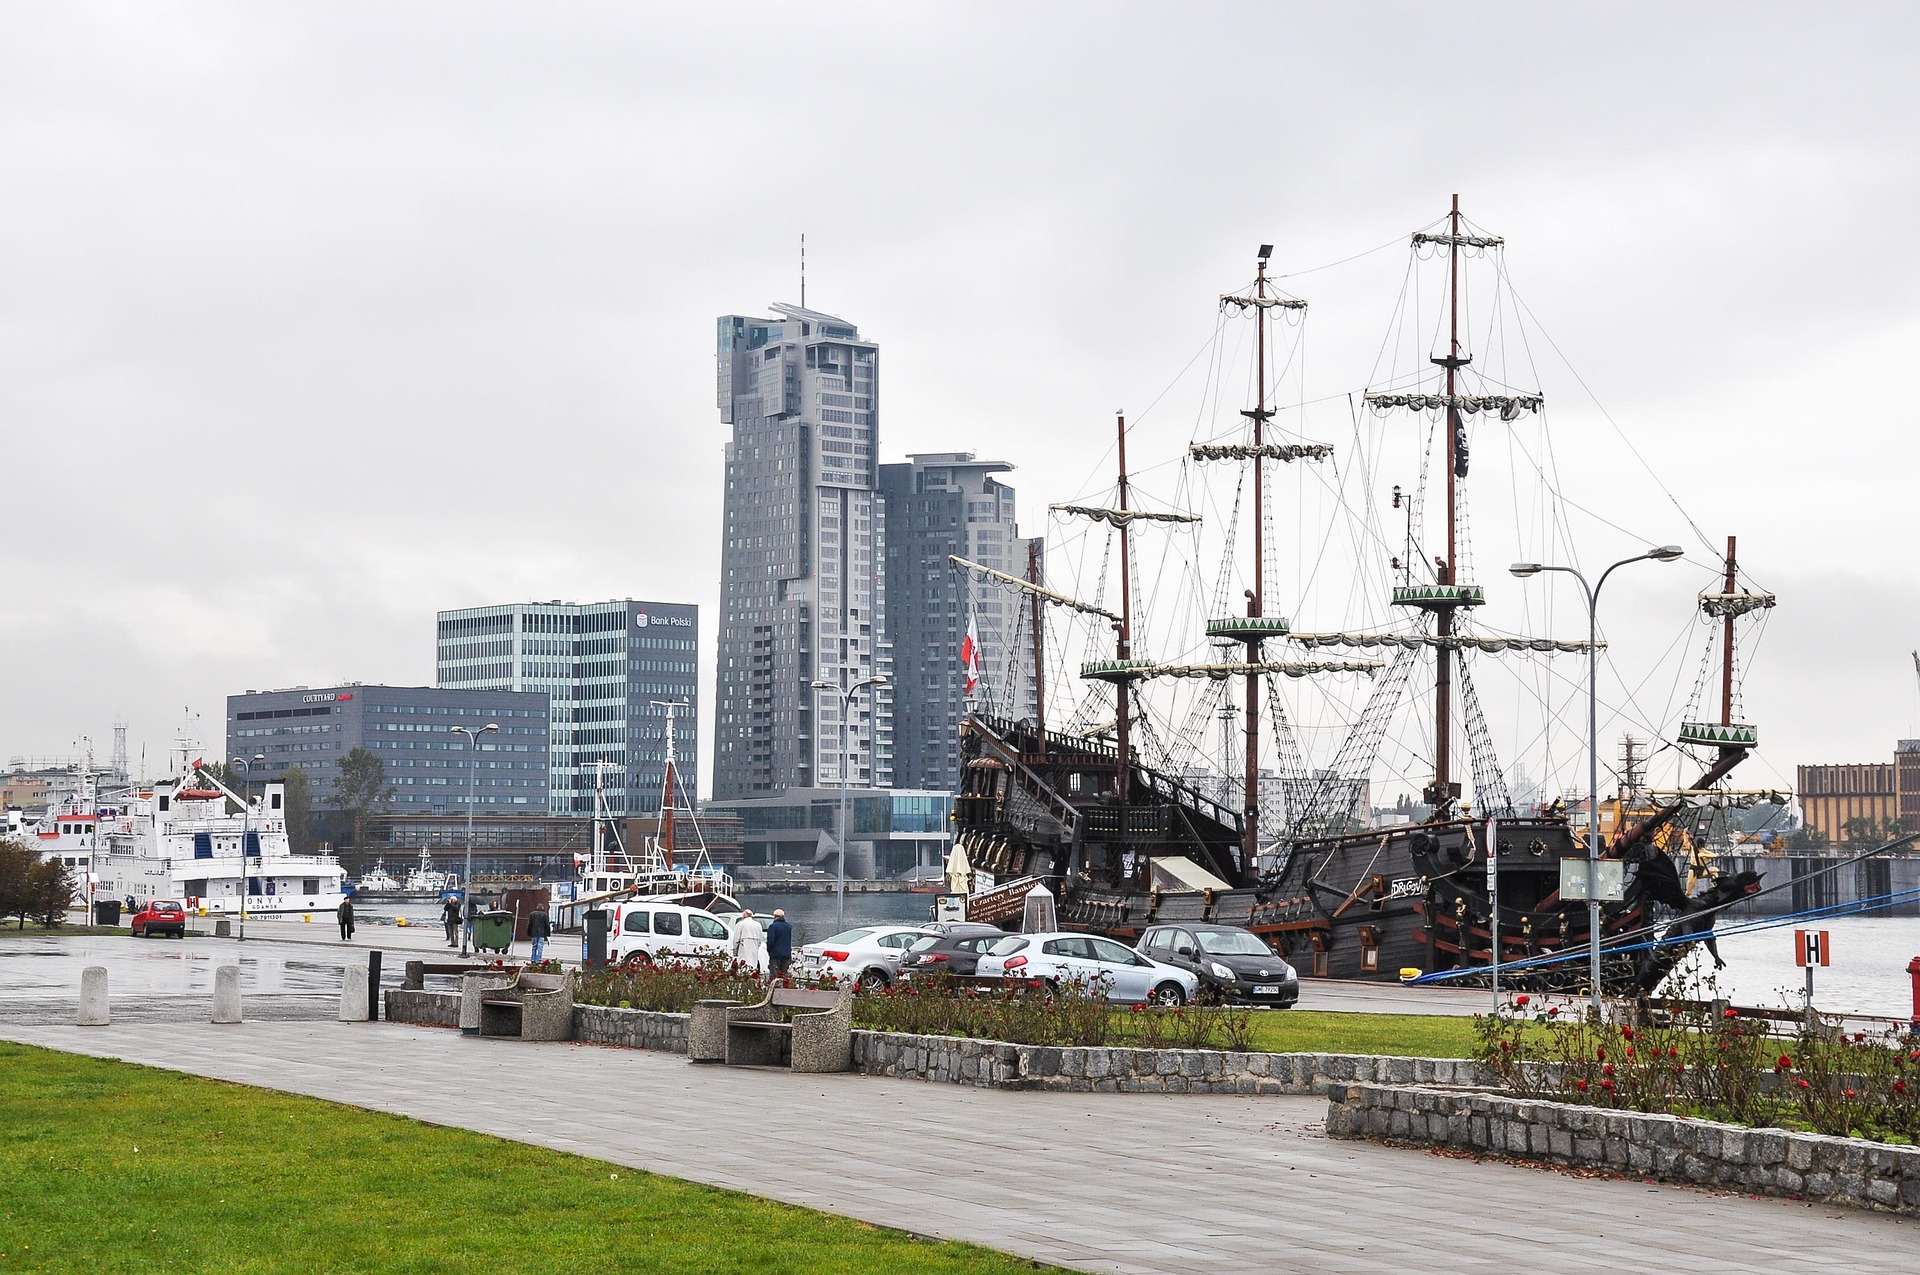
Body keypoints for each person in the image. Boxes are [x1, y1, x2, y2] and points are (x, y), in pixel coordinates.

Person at [731, 908, 765, 973]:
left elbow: (736, 939)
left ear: (744, 916)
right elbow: (760, 939)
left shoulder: (740, 924)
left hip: (743, 947)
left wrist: (735, 951)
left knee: (743, 964)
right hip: (754, 946)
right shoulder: (758, 925)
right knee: (753, 963)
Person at [766, 908, 793, 979]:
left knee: (774, 975)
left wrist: (769, 950)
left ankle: (775, 989)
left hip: (775, 954)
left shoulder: (773, 927)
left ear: (775, 916)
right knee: (784, 975)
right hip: (786, 954)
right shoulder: (788, 926)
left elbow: (770, 941)